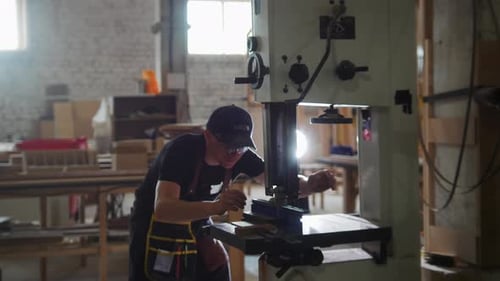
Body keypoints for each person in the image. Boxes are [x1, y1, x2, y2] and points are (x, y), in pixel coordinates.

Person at [129, 104, 336, 281]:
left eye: (240, 147)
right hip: (155, 227)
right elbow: (164, 208)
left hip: (198, 221)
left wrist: (309, 184)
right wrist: (216, 207)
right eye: (228, 146)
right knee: (159, 274)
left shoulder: (240, 154)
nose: (234, 152)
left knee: (216, 264)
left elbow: (280, 182)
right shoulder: (182, 151)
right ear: (208, 136)